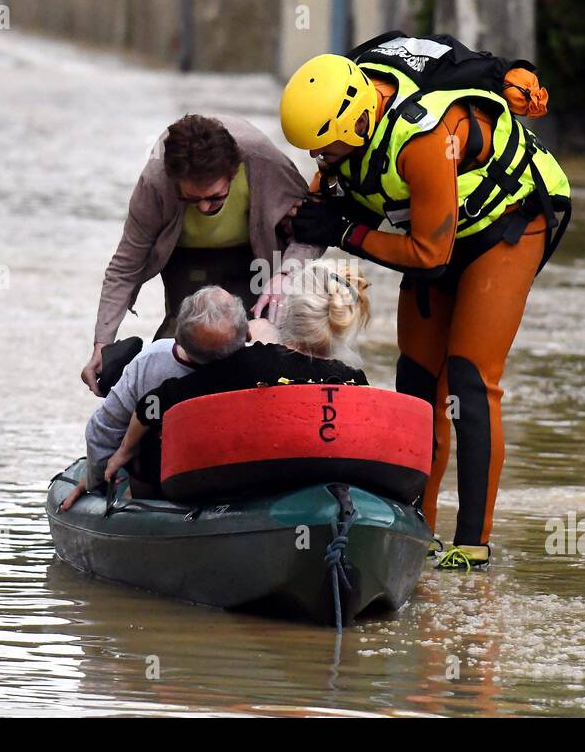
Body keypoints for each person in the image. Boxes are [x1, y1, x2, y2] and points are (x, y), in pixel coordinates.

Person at [277, 32, 572, 570]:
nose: (321, 159)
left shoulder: (423, 140)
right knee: (415, 384)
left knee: (468, 378)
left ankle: (473, 545)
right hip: (436, 230)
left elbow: (429, 255)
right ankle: (415, 530)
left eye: (326, 148)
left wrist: (346, 233)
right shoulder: (352, 107)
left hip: (509, 221)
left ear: (358, 124)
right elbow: (340, 202)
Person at [82, 115, 324, 396]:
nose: (205, 208)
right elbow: (125, 266)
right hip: (184, 258)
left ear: (233, 173)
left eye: (216, 197)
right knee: (180, 355)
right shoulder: (155, 180)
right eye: (191, 200)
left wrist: (286, 273)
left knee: (257, 349)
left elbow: (312, 232)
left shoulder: (265, 162)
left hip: (254, 256)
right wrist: (102, 343)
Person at [103, 265, 371, 486]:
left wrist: (125, 451)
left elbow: (153, 404)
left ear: (288, 312)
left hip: (238, 485)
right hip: (312, 486)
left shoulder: (250, 361)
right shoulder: (355, 381)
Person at [59, 286, 247, 511]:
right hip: (228, 474)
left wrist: (95, 480)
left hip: (165, 477)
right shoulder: (254, 362)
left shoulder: (152, 361)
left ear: (178, 336)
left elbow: (103, 429)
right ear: (245, 336)